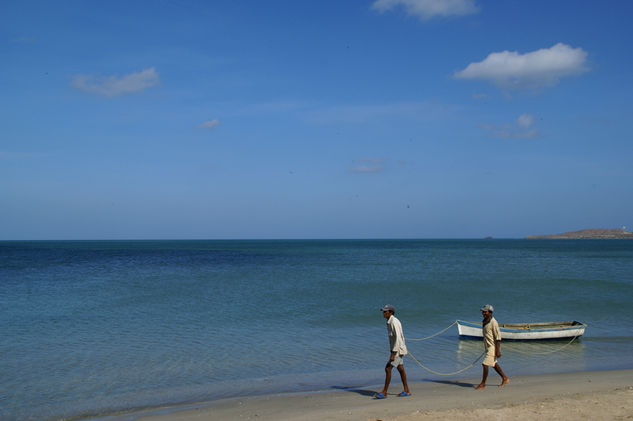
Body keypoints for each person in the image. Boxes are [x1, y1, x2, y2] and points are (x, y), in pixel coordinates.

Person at [374, 304, 411, 399]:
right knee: (401, 369)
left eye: (385, 311)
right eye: (383, 311)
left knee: (388, 369)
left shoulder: (394, 322)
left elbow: (398, 338)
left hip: (398, 350)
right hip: (397, 349)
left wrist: (393, 353)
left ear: (391, 312)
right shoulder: (389, 321)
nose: (384, 313)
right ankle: (406, 390)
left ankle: (384, 392)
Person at [475, 304, 510, 389]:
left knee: (485, 364)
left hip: (493, 347)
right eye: (483, 311)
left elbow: (498, 337)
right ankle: (505, 378)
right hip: (487, 346)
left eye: (485, 312)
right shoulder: (484, 321)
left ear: (490, 313)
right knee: (494, 364)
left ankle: (483, 384)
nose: (483, 313)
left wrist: (498, 351)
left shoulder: (493, 322)